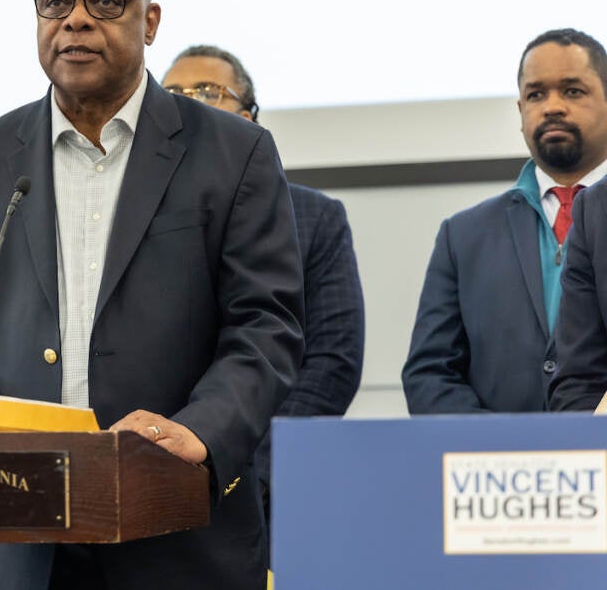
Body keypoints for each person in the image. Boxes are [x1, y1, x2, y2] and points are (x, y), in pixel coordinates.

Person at [0, 0, 303, 590]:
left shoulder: (235, 153)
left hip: (178, 527)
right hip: (23, 532)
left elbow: (267, 326)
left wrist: (197, 431)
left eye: (106, 1)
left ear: (150, 21)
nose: (77, 19)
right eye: (57, 2)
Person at [162, 44, 364, 545]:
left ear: (250, 118)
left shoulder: (315, 217)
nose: (191, 103)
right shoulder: (136, 225)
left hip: (269, 485)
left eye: (210, 92)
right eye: (172, 96)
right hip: (157, 476)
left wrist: (247, 461)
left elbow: (332, 362)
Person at [402, 28, 607, 413]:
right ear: (520, 112)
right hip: (492, 467)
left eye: (573, 91)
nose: (552, 106)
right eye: (536, 94)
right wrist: (500, 447)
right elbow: (429, 375)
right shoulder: (463, 237)